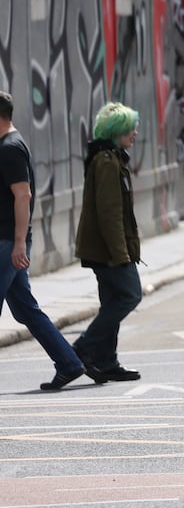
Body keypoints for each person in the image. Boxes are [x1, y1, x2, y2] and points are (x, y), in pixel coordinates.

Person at [0, 92, 86, 390]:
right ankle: (69, 363)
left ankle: (69, 362)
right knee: (25, 309)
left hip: (8, 243)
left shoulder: (10, 148)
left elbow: (23, 195)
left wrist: (19, 242)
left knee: (24, 309)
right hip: (11, 242)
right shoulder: (10, 144)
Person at [74, 101, 145, 383]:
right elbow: (109, 214)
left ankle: (105, 360)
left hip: (106, 249)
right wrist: (121, 254)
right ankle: (83, 348)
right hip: (108, 251)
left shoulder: (112, 158)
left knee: (113, 301)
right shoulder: (106, 162)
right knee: (130, 295)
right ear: (116, 132)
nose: (135, 133)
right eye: (130, 129)